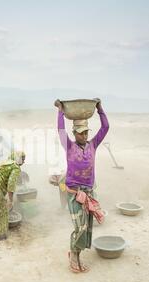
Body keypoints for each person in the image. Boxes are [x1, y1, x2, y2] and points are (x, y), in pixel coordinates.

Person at [55, 99, 109, 273]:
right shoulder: (69, 146)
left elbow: (105, 128)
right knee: (80, 227)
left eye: (86, 132)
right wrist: (60, 111)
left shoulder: (93, 145)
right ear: (74, 133)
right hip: (74, 193)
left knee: (87, 228)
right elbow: (61, 130)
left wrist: (100, 109)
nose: (84, 136)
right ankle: (74, 256)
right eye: (80, 133)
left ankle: (76, 254)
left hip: (89, 192)